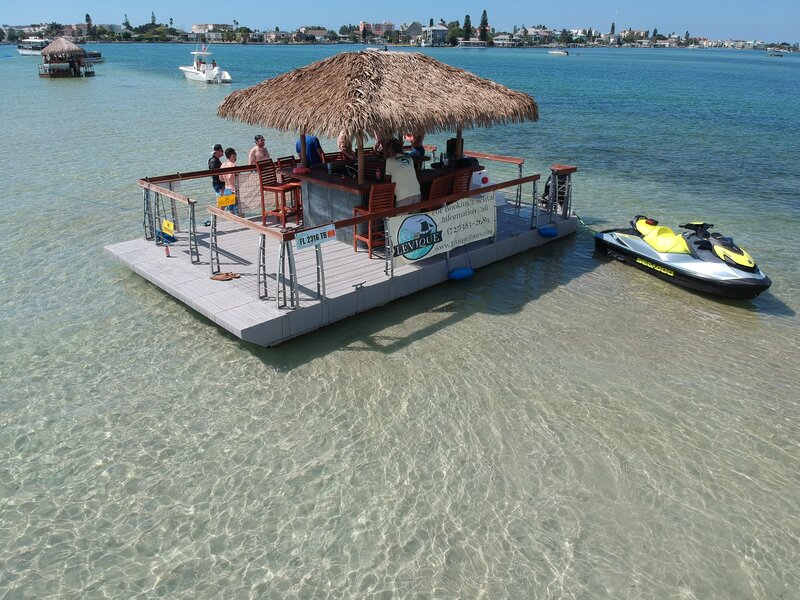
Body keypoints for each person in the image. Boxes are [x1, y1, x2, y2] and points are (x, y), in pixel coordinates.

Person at [384, 138, 421, 207]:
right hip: (417, 193)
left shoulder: (389, 160)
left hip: (403, 196)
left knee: (401, 214)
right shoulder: (410, 158)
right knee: (415, 214)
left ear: (391, 151)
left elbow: (387, 179)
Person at [220, 147, 239, 215]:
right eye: (235, 154)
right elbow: (232, 177)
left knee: (231, 211)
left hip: (226, 190)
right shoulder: (233, 165)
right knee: (239, 212)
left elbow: (221, 179)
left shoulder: (222, 165)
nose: (236, 156)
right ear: (232, 155)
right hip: (233, 190)